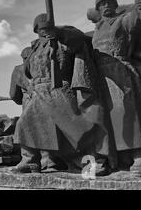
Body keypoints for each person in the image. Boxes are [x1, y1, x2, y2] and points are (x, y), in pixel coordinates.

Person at [13, 13, 108, 174]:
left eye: (47, 27)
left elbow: (79, 40)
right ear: (36, 30)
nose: (44, 31)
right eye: (41, 29)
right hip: (39, 91)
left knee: (72, 127)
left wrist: (58, 33)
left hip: (58, 88)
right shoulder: (36, 47)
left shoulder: (62, 39)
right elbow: (28, 70)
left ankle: (90, 161)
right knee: (25, 123)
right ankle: (30, 161)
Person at [91, 0, 141, 170]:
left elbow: (134, 22)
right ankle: (112, 159)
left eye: (109, 2)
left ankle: (137, 155)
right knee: (106, 118)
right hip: (101, 77)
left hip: (120, 71)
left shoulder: (123, 20)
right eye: (101, 4)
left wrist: (137, 8)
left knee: (127, 113)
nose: (105, 6)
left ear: (115, 5)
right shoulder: (97, 28)